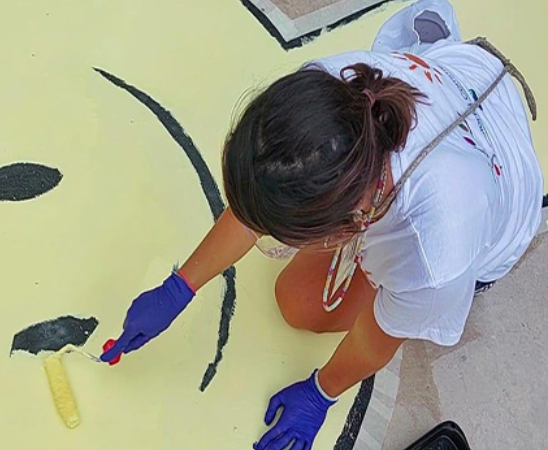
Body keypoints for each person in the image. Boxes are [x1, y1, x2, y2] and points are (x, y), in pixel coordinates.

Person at [101, 1, 543, 449]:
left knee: (302, 305)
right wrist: (182, 285)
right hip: (463, 81)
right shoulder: (321, 101)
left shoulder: (434, 256)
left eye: (278, 234)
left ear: (344, 230)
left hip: (502, 193)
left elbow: (377, 340)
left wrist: (321, 391)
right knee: (298, 297)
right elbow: (262, 194)